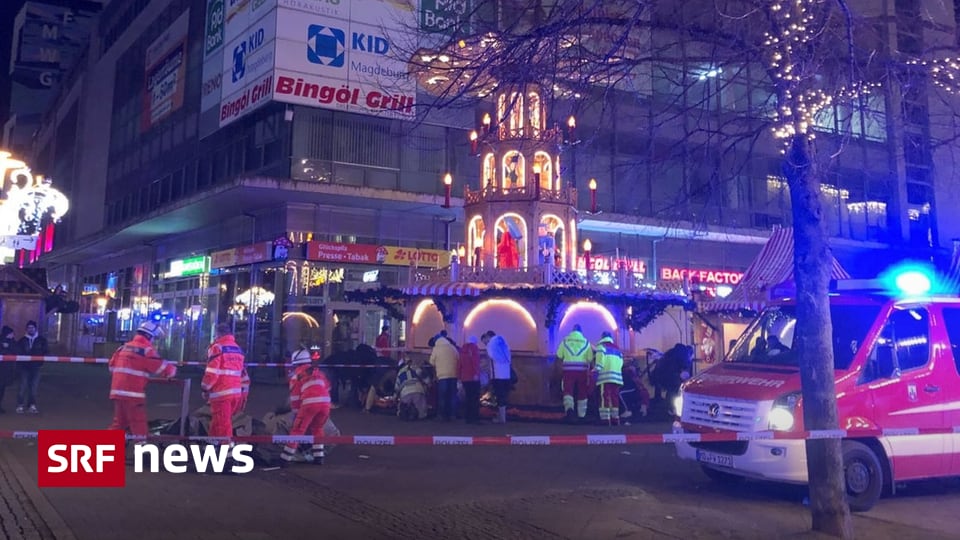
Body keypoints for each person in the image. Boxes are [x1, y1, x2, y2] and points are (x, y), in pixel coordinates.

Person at [108, 321, 177, 437]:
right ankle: (142, 451)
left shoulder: (123, 347)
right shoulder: (146, 350)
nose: (153, 341)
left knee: (119, 423)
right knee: (138, 424)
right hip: (133, 394)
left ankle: (104, 447)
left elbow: (112, 367)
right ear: (149, 336)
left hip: (117, 392)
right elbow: (161, 367)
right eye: (154, 338)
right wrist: (172, 371)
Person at [281, 351, 331, 466]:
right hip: (325, 404)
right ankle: (319, 457)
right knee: (317, 428)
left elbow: (295, 398)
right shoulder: (319, 373)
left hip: (309, 404)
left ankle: (285, 458)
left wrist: (296, 414)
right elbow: (327, 388)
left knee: (298, 430)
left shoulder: (296, 376)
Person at [202, 323, 247, 440]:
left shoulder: (217, 347)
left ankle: (227, 453)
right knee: (218, 422)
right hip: (235, 393)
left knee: (223, 426)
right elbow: (243, 374)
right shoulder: (237, 349)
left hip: (221, 393)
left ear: (217, 334)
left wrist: (205, 388)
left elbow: (212, 372)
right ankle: (212, 446)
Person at [556, 324, 592, 423]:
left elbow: (559, 355)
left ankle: (569, 411)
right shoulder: (586, 342)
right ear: (581, 332)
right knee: (582, 391)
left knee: (568, 391)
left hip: (568, 370)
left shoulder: (565, 341)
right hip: (582, 371)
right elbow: (590, 358)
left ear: (572, 331)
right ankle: (582, 415)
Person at [16, 320, 48, 414]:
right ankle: (20, 405)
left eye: (32, 328)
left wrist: (40, 362)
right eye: (29, 328)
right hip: (24, 367)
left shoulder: (42, 340)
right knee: (23, 386)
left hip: (36, 367)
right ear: (26, 329)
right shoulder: (22, 340)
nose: (30, 329)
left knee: (34, 387)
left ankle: (32, 405)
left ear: (35, 328)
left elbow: (46, 351)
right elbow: (18, 352)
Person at [481, 330, 512, 424]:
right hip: (506, 374)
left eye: (484, 342)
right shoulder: (503, 341)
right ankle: (503, 417)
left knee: (499, 396)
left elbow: (491, 357)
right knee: (504, 396)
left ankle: (501, 419)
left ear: (487, 337)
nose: (485, 344)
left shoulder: (491, 344)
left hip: (497, 374)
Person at [594, 332, 624, 425]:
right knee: (615, 397)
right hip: (617, 377)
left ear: (602, 337)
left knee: (604, 397)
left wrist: (594, 371)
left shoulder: (601, 347)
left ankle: (605, 419)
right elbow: (621, 363)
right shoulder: (617, 349)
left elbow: (599, 363)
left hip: (605, 377)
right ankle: (615, 418)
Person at [429, 330, 459, 421]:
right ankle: (453, 415)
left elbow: (431, 362)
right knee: (453, 396)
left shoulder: (436, 349)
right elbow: (458, 358)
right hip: (453, 375)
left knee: (442, 396)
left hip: (442, 376)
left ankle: (441, 416)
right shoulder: (452, 347)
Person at [458, 336, 482, 424]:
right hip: (473, 377)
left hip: (465, 378)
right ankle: (475, 418)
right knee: (474, 398)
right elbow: (475, 362)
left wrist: (460, 377)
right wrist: (476, 373)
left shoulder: (462, 350)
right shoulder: (474, 348)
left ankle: (468, 418)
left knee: (468, 398)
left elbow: (459, 365)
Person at [619, 355, 650, 422]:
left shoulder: (628, 370)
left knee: (620, 393)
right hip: (637, 390)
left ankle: (627, 410)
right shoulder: (633, 371)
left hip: (634, 389)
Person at [0, 326, 17, 413]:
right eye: (11, 333)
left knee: (2, 389)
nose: (12, 335)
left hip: (6, 370)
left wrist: (8, 346)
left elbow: (16, 351)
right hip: (2, 369)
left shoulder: (13, 342)